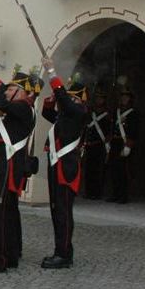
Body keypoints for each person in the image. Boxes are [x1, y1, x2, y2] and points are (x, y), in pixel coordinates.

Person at [0, 65, 41, 274]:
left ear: (22, 92)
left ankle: (0, 259)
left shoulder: (23, 107)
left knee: (0, 214)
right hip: (2, 165)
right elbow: (1, 101)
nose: (6, 90)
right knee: (9, 212)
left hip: (7, 166)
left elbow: (1, 102)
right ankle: (11, 255)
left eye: (11, 88)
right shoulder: (17, 109)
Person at [40, 59, 87, 269]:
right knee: (56, 210)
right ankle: (60, 250)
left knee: (63, 212)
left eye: (73, 98)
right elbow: (47, 113)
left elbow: (65, 103)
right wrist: (51, 100)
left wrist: (52, 71)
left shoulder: (78, 112)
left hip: (66, 167)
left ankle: (64, 254)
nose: (69, 101)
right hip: (56, 165)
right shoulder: (66, 114)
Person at [107, 82, 138, 203]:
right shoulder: (117, 112)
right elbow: (111, 128)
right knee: (113, 170)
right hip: (115, 142)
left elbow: (134, 131)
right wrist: (108, 142)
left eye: (126, 96)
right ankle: (115, 194)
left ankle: (123, 196)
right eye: (122, 96)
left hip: (124, 144)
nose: (124, 98)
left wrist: (128, 146)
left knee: (123, 172)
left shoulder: (133, 114)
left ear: (130, 98)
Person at [83, 88, 111, 200]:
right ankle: (88, 192)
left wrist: (107, 143)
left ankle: (96, 192)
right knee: (88, 170)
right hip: (90, 145)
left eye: (101, 98)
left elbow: (108, 130)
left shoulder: (107, 114)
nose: (99, 100)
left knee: (98, 170)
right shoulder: (91, 112)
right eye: (97, 98)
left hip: (99, 145)